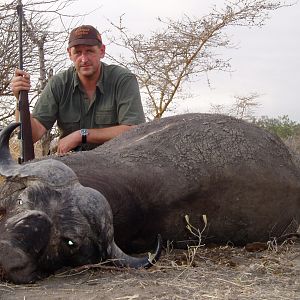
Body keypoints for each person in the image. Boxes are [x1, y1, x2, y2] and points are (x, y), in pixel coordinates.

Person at [11, 25, 145, 155]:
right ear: (70, 54)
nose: (84, 59)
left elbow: (134, 130)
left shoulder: (123, 79)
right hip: (70, 163)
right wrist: (20, 99)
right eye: (78, 52)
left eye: (90, 51)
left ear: (102, 51)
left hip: (113, 160)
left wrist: (82, 135)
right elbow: (33, 135)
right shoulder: (58, 83)